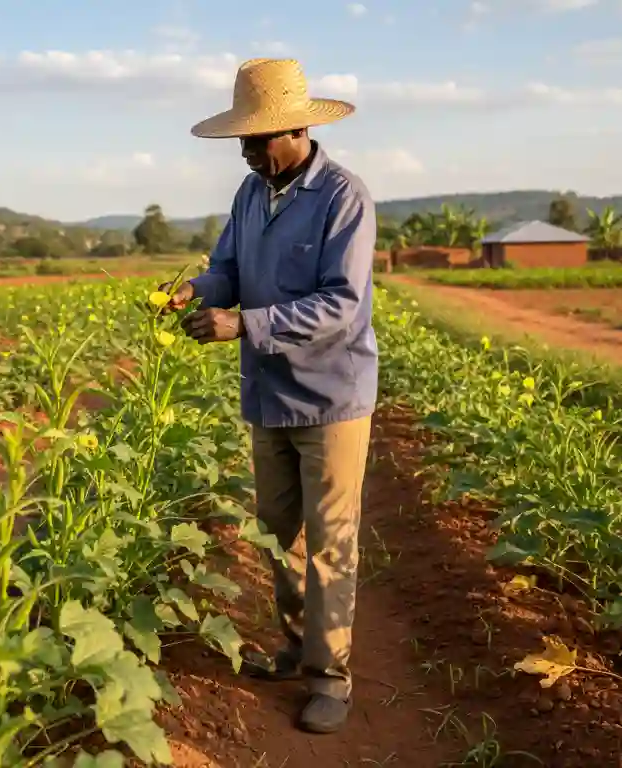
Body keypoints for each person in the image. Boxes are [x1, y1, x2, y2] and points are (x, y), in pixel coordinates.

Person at [158, 58, 377, 735]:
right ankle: (292, 649)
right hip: (269, 394)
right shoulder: (250, 195)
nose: (248, 154)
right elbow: (228, 267)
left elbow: (341, 304)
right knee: (277, 534)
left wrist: (245, 324)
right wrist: (199, 289)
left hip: (331, 397)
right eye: (243, 143)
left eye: (257, 141)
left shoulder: (344, 196)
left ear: (296, 130)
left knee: (330, 544)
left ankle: (331, 677)